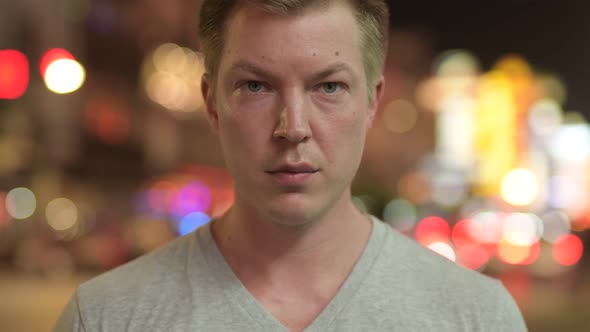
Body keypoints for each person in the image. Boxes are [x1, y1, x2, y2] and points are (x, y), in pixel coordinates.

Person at [54, 0, 528, 331]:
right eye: (257, 86)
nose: (293, 127)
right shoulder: (105, 318)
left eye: (329, 87)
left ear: (372, 103)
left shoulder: (477, 318)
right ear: (211, 102)